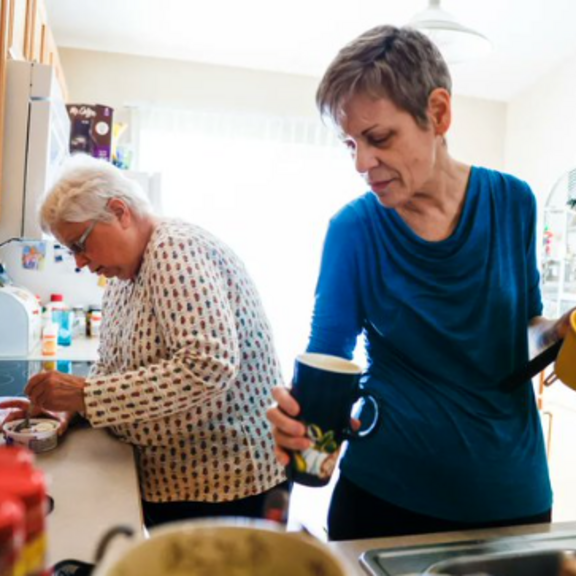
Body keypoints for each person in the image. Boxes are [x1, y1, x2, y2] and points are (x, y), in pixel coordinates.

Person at [267, 24, 573, 541]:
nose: (362, 163)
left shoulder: (514, 203)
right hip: (383, 498)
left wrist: (560, 332)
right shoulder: (354, 229)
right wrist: (303, 429)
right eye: (351, 144)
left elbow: (524, 329)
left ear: (438, 113)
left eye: (379, 138)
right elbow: (328, 363)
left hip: (509, 497)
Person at [3, 154, 287, 527]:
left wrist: (85, 394)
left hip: (222, 483)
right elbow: (112, 368)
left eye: (80, 245)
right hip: (174, 481)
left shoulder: (176, 249)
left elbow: (208, 366)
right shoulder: (123, 279)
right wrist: (68, 409)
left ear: (120, 211)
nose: (81, 263)